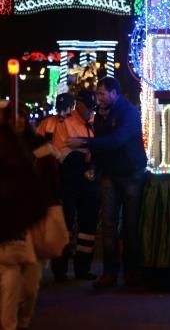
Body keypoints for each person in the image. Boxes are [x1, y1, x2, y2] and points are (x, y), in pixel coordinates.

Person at [67, 77, 147, 289]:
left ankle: (132, 273)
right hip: (110, 174)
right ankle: (110, 273)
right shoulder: (102, 114)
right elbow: (103, 144)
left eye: (102, 93)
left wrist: (84, 143)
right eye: (98, 94)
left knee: (130, 226)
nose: (99, 98)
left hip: (131, 173)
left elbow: (116, 140)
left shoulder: (128, 112)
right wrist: (94, 161)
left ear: (114, 93)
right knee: (109, 224)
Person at [1, 101, 60, 330]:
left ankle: (23, 318)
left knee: (30, 286)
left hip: (35, 225)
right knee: (9, 277)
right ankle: (10, 323)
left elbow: (52, 183)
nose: (18, 122)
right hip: (10, 228)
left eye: (21, 117)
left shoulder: (39, 147)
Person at [37, 89, 100, 281]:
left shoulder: (94, 122)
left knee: (87, 225)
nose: (89, 112)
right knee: (65, 223)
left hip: (89, 178)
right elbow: (56, 150)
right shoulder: (61, 123)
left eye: (92, 109)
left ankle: (83, 267)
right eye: (86, 108)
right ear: (78, 104)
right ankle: (60, 269)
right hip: (69, 178)